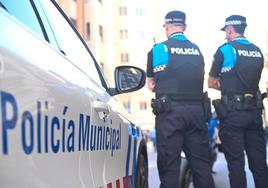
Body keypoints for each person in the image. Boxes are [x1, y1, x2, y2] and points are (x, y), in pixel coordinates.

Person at [147, 10, 215, 188]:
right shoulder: (197, 50)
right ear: (184, 27)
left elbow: (151, 85)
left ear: (167, 26)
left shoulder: (159, 49)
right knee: (202, 168)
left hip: (170, 115)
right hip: (197, 113)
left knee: (170, 169)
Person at [208, 15, 268, 188]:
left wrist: (226, 85)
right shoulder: (257, 51)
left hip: (232, 114)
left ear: (229, 29)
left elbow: (211, 82)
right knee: (259, 164)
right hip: (254, 113)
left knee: (236, 164)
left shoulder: (224, 50)